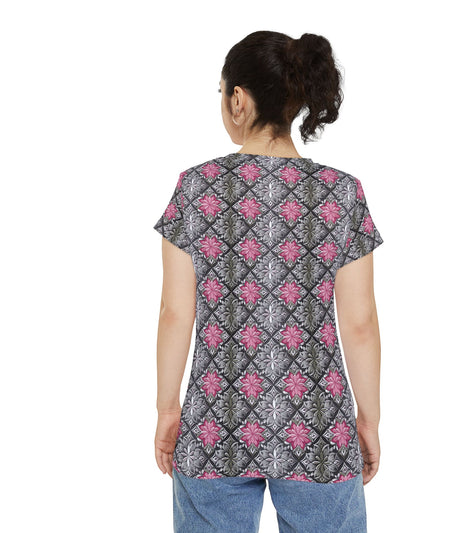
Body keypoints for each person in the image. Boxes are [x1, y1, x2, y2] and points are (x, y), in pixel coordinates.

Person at [153, 30, 384, 533]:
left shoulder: (196, 187)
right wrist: (368, 419)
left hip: (214, 424)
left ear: (238, 99)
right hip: (318, 427)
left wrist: (168, 410)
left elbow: (175, 313)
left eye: (221, 92)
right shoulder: (342, 193)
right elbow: (360, 323)